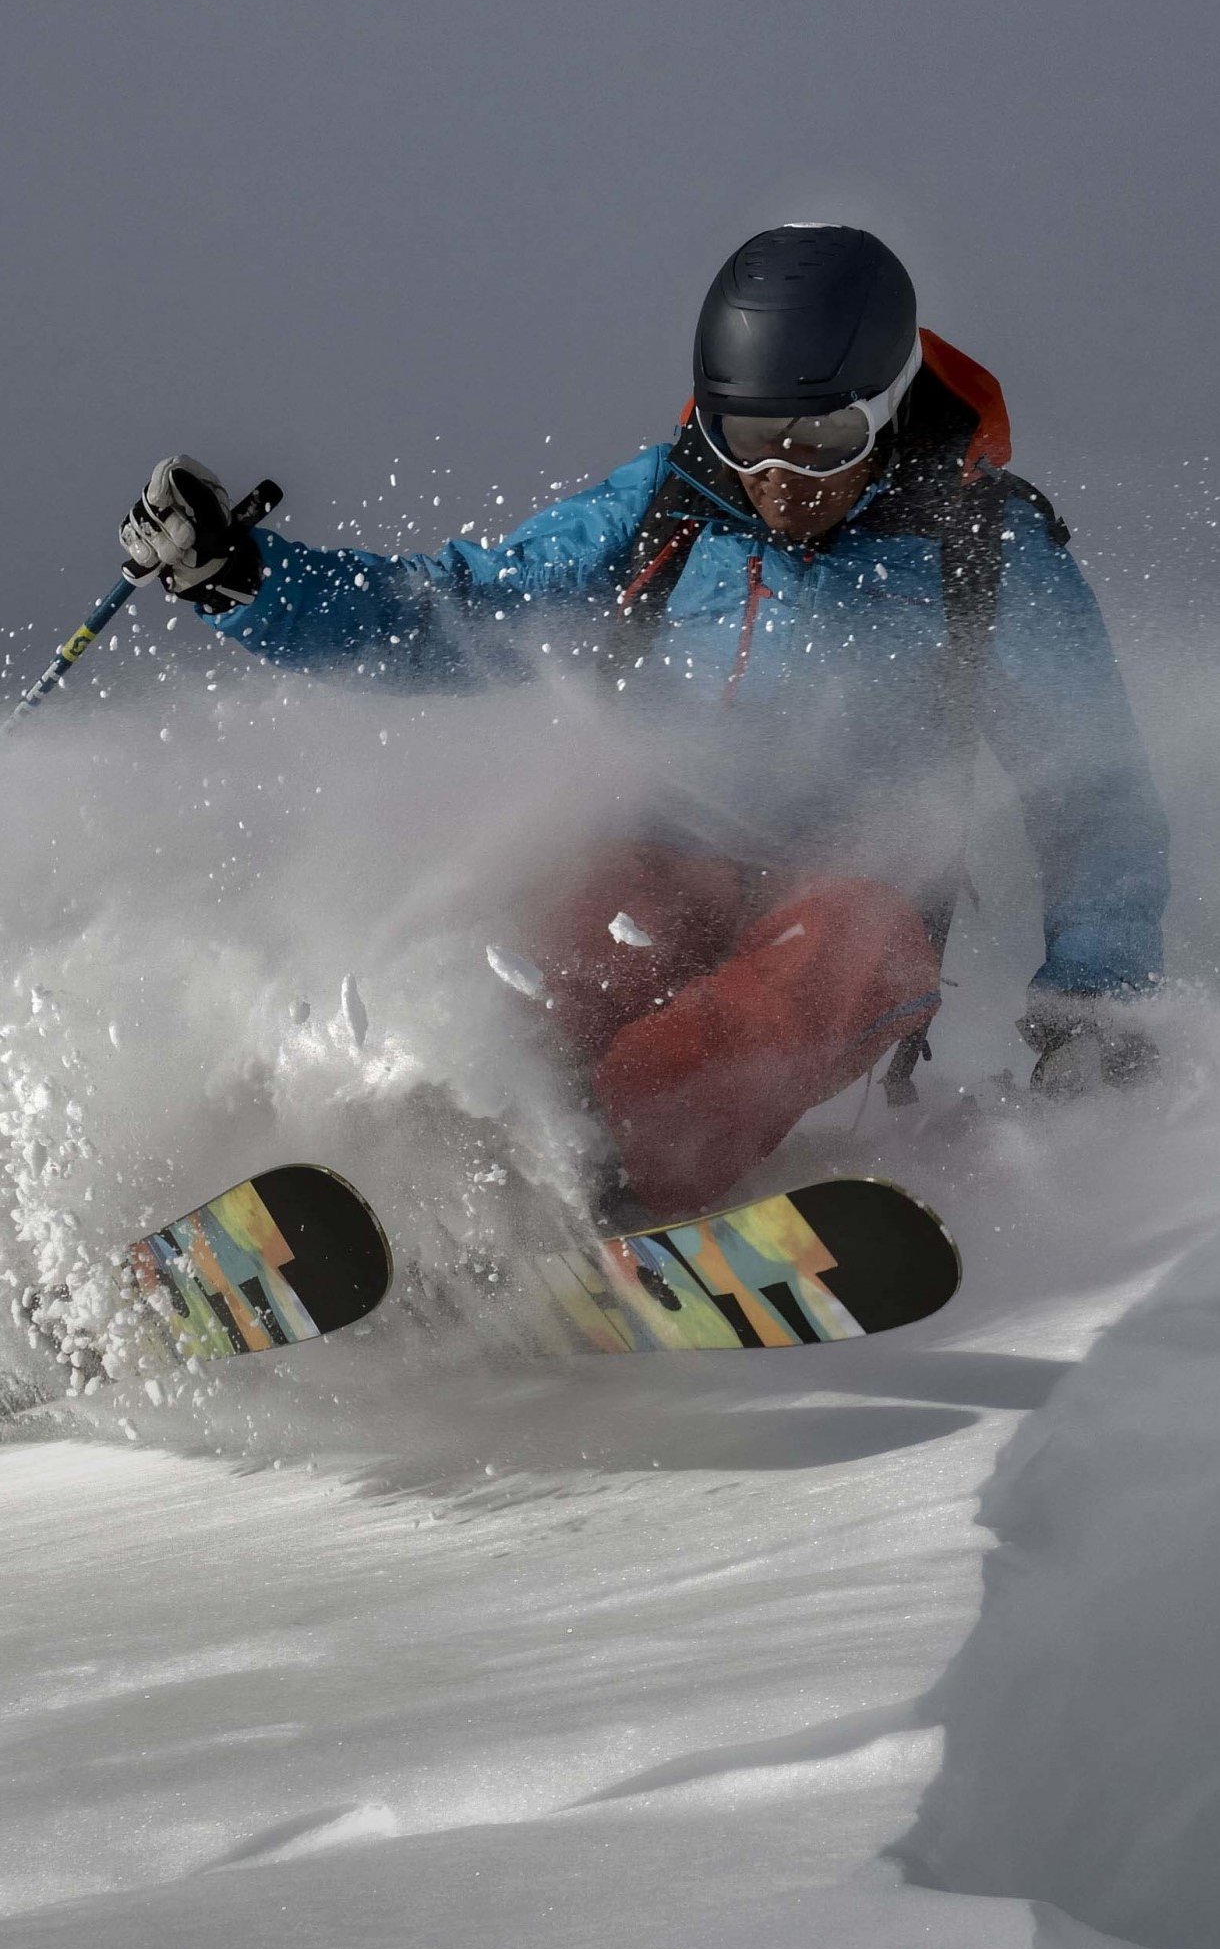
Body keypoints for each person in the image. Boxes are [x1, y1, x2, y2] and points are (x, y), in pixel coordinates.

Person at [120, 224, 1170, 1216]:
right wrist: (245, 578)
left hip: (853, 902)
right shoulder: (670, 502)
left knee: (801, 983)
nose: (779, 478)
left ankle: (601, 1195)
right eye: (750, 436)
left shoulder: (984, 550)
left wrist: (1092, 1012)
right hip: (662, 860)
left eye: (823, 441)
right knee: (545, 968)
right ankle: (425, 1181)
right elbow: (461, 610)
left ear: (889, 406)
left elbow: (1088, 793)